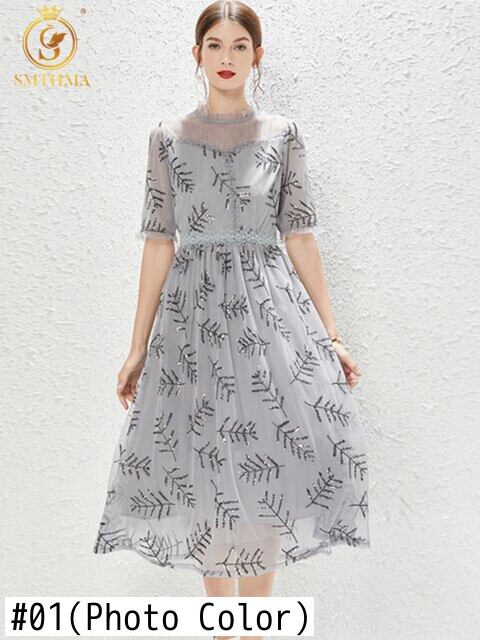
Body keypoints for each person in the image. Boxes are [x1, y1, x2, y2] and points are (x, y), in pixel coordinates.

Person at [92, 2, 371, 639]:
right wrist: (137, 346)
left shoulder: (282, 134)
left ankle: (256, 626)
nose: (226, 58)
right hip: (191, 323)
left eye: (239, 46)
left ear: (257, 56)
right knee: (205, 472)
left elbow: (299, 236)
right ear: (197, 55)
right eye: (214, 45)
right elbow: (158, 242)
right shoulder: (167, 136)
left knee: (267, 462)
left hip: (269, 318)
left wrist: (331, 335)